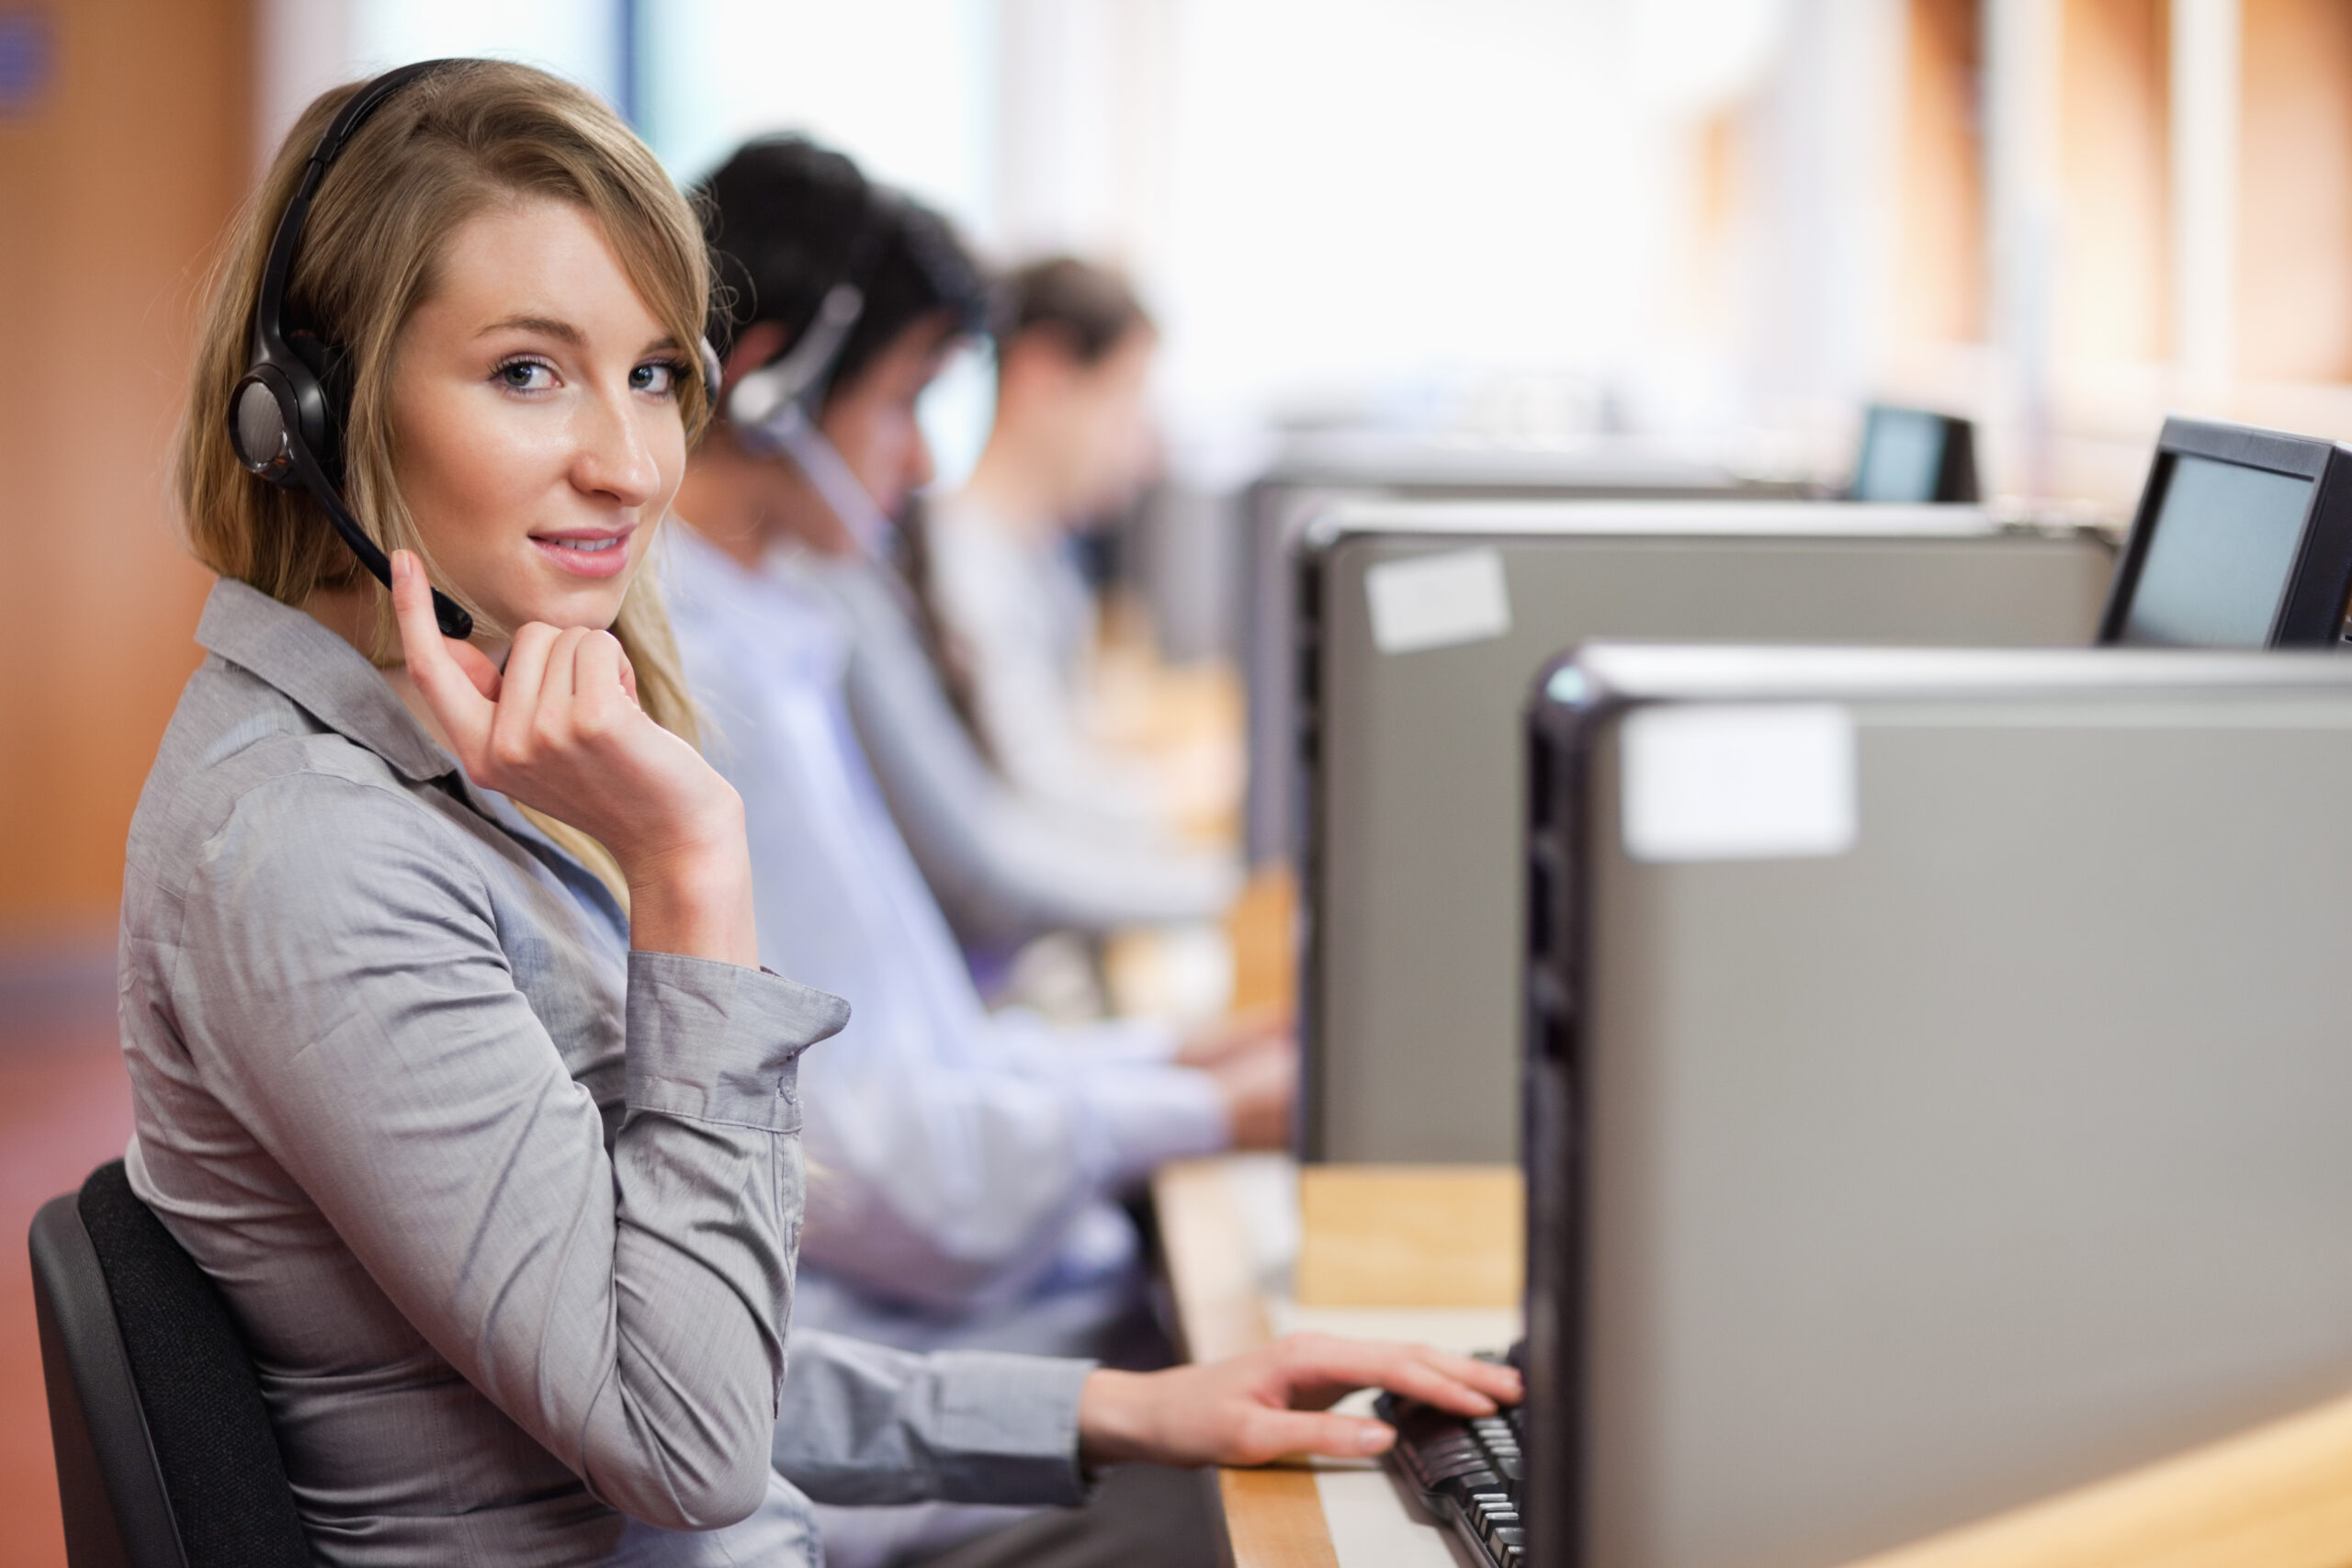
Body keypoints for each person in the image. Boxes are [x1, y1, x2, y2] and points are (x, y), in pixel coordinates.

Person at [123, 60, 1514, 1568]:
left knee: (1346, 1496)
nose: (632, 462)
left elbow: (684, 1318)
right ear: (308, 410)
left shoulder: (438, 765)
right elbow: (690, 1437)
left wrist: (1117, 1408)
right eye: (528, 371)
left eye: (656, 373)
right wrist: (690, 867)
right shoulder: (312, 848)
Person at [667, 141, 1297, 1562]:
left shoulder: (772, 627)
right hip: (857, 1403)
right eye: (903, 400)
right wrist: (1209, 1107)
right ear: (766, 386)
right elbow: (895, 1173)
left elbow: (915, 1054)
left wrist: (1191, 1068)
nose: (924, 458)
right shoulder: (691, 677)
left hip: (911, 1338)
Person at [918, 258, 1182, 831]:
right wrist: (1182, 793)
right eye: (1126, 396)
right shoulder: (963, 570)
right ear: (1045, 374)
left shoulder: (1040, 558)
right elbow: (1035, 796)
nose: (1142, 449)